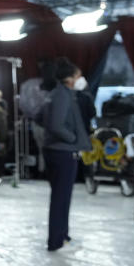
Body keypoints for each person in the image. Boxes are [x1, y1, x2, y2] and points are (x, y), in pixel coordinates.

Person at [39, 57, 91, 252]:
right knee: (61, 198)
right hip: (62, 152)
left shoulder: (59, 94)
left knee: (62, 197)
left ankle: (63, 235)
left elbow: (40, 117)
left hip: (58, 150)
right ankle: (56, 241)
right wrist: (72, 140)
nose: (81, 78)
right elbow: (55, 125)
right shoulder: (62, 95)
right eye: (78, 75)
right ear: (70, 78)